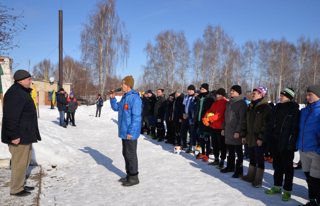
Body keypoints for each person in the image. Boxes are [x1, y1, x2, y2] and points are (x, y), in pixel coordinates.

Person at [1, 70, 41, 196]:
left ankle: (21, 185)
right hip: (18, 136)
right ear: (21, 80)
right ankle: (16, 189)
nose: (31, 81)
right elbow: (11, 117)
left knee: (24, 162)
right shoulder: (15, 93)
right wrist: (14, 136)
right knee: (19, 163)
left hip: (25, 134)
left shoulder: (21, 92)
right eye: (29, 79)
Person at [263, 88, 300, 202]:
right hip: (274, 140)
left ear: (289, 97)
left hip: (286, 143)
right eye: (280, 95)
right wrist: (266, 138)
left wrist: (290, 143)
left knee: (288, 168)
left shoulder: (294, 110)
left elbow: (295, 129)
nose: (280, 97)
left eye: (283, 95)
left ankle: (287, 190)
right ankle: (277, 187)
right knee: (277, 166)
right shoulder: (276, 108)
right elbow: (270, 124)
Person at [109, 75, 142, 187]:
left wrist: (131, 132)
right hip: (124, 132)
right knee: (126, 154)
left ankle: (134, 177)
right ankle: (129, 174)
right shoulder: (125, 97)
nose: (120, 86)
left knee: (131, 154)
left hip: (130, 133)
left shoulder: (135, 98)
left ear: (127, 86)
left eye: (122, 84)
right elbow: (116, 108)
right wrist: (113, 98)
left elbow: (136, 117)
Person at [241, 87, 271, 188]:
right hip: (250, 137)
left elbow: (266, 124)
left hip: (258, 138)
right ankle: (250, 176)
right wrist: (244, 135)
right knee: (251, 156)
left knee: (259, 158)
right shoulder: (250, 106)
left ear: (261, 95)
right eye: (252, 93)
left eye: (254, 93)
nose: (252, 95)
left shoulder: (265, 108)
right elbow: (245, 122)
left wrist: (261, 138)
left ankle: (258, 180)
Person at [296, 85, 320, 206]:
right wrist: (298, 144)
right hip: (303, 150)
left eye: (310, 94)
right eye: (306, 94)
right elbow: (300, 130)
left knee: (316, 180)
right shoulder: (304, 111)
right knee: (308, 178)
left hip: (316, 152)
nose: (308, 96)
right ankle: (312, 201)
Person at [221, 85, 247, 177]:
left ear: (238, 92)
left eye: (233, 91)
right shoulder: (229, 103)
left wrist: (238, 131)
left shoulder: (242, 103)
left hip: (236, 131)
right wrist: (223, 128)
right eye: (231, 90)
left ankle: (239, 170)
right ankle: (230, 166)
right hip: (228, 130)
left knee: (238, 151)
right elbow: (226, 117)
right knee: (230, 150)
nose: (231, 92)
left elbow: (242, 119)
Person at [204, 88, 227, 168]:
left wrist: (209, 118)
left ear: (223, 95)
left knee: (222, 145)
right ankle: (216, 159)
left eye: (219, 94)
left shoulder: (225, 103)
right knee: (214, 144)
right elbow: (209, 110)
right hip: (213, 126)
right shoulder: (215, 103)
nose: (217, 96)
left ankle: (222, 161)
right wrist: (205, 117)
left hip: (220, 127)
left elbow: (219, 115)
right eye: (217, 94)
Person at [195, 83, 215, 162]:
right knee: (201, 137)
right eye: (201, 89)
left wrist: (209, 119)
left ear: (207, 89)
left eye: (203, 89)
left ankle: (207, 154)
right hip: (199, 119)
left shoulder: (210, 98)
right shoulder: (200, 97)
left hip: (206, 120)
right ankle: (202, 153)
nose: (201, 90)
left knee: (207, 137)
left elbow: (212, 110)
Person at [180, 85, 196, 150]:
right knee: (183, 131)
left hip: (191, 117)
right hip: (185, 116)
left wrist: (188, 115)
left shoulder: (195, 97)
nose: (188, 91)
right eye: (188, 90)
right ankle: (184, 144)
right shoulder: (186, 96)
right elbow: (183, 106)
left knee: (191, 132)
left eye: (190, 90)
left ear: (193, 91)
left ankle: (191, 146)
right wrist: (183, 113)